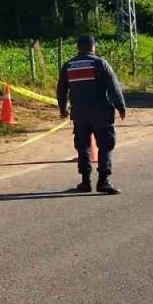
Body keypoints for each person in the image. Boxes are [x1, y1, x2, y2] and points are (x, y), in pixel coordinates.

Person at [56, 34, 127, 194]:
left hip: (79, 114)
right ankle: (103, 181)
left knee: (83, 146)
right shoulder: (100, 64)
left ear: (78, 48)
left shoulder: (68, 66)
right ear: (93, 47)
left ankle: (85, 181)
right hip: (101, 112)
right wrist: (120, 106)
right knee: (106, 145)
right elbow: (114, 87)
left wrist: (62, 108)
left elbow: (61, 89)